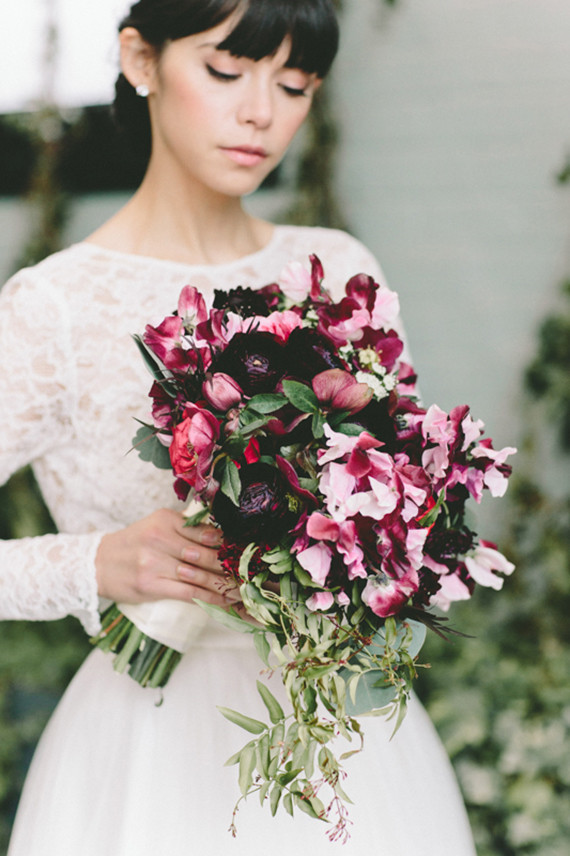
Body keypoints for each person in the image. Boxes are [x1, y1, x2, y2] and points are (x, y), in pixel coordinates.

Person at [0, 1, 477, 853]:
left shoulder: (336, 266)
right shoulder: (57, 309)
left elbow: (405, 494)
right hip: (149, 746)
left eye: (294, 85)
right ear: (141, 60)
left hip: (343, 743)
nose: (261, 111)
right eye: (226, 71)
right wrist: (96, 562)